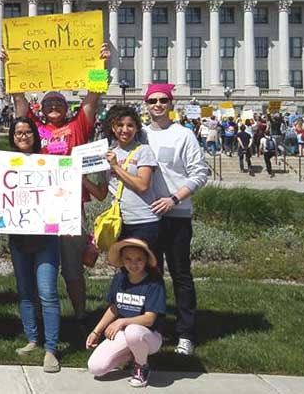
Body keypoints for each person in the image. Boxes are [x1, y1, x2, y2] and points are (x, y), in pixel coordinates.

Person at [9, 43, 111, 330]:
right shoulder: (34, 128)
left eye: (59, 103)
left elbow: (92, 98)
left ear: (67, 108)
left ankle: (80, 315)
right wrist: (12, 68)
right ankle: (42, 316)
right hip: (39, 206)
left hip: (70, 206)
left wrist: (100, 66)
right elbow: (20, 104)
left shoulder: (78, 126)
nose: (54, 106)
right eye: (49, 103)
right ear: (41, 108)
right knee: (40, 265)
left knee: (71, 265)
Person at [142, 83, 208, 356]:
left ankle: (185, 333)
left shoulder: (184, 135)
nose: (158, 104)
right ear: (146, 105)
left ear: (171, 103)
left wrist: (174, 199)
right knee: (150, 274)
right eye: (153, 100)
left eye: (163, 100)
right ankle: (152, 327)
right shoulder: (139, 133)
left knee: (181, 274)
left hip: (177, 214)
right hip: (147, 216)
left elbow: (200, 173)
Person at [5, 116, 62, 372]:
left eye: (27, 132)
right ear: (12, 137)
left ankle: (51, 349)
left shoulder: (48, 161)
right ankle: (32, 339)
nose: (23, 136)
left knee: (47, 293)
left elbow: (63, 190)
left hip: (46, 238)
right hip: (19, 237)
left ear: (34, 135)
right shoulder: (2, 164)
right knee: (25, 291)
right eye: (18, 133)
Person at [87, 238, 166, 388]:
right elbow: (114, 308)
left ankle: (141, 367)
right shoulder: (119, 279)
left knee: (133, 331)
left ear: (146, 260)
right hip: (125, 333)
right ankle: (133, 353)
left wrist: (122, 322)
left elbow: (149, 319)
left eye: (139, 259)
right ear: (122, 260)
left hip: (150, 335)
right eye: (128, 259)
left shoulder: (154, 282)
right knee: (96, 368)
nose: (133, 264)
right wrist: (96, 332)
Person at [103, 105, 160, 254]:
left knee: (148, 270)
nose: (125, 130)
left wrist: (116, 166)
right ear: (113, 128)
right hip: (119, 222)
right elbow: (101, 193)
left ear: (136, 128)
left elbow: (142, 185)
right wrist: (82, 177)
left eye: (130, 125)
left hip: (144, 221)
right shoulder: (108, 154)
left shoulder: (143, 150)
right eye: (120, 125)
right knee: (126, 271)